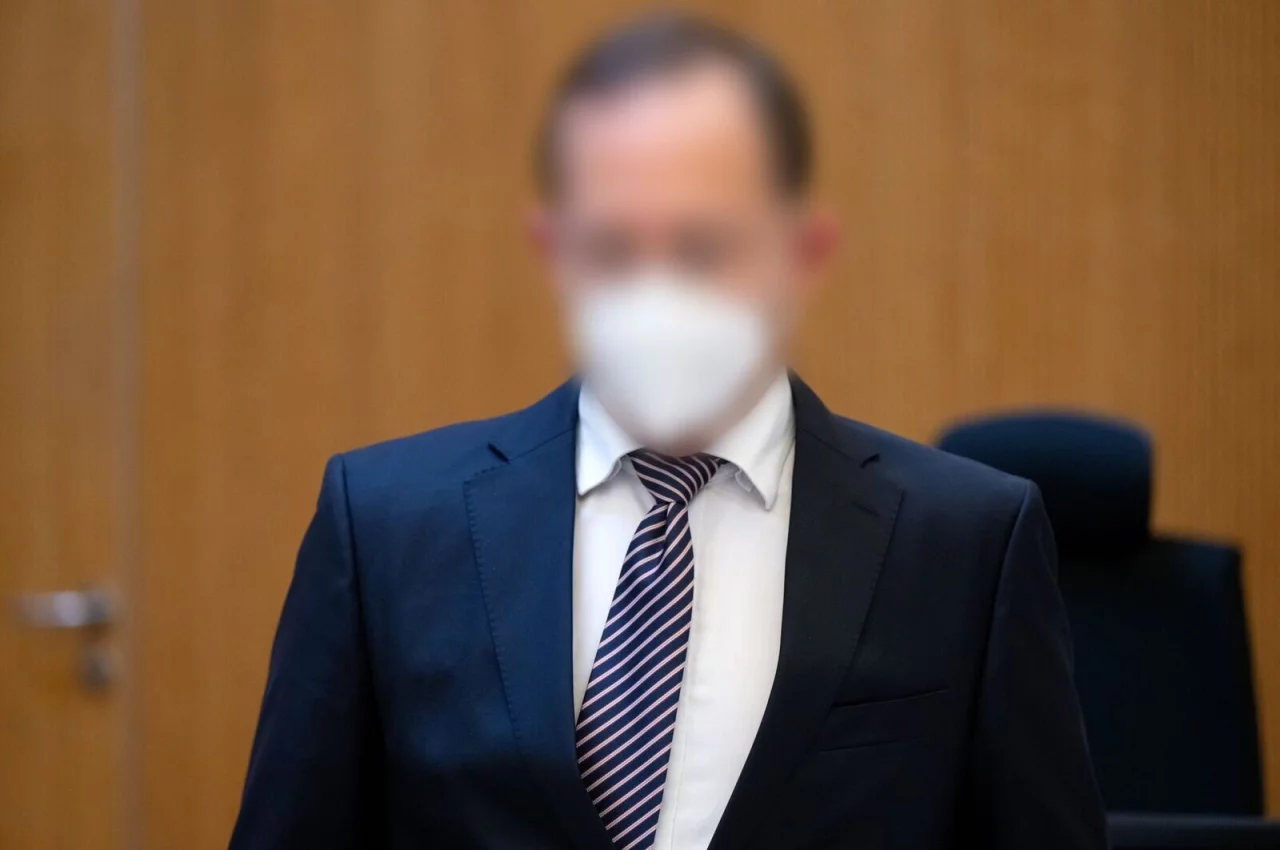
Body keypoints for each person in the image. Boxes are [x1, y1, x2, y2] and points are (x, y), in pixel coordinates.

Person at [230, 13, 1106, 850]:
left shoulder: (964, 543)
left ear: (801, 252)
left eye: (702, 247)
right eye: (612, 248)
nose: (657, 296)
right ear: (556, 252)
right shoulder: (387, 530)